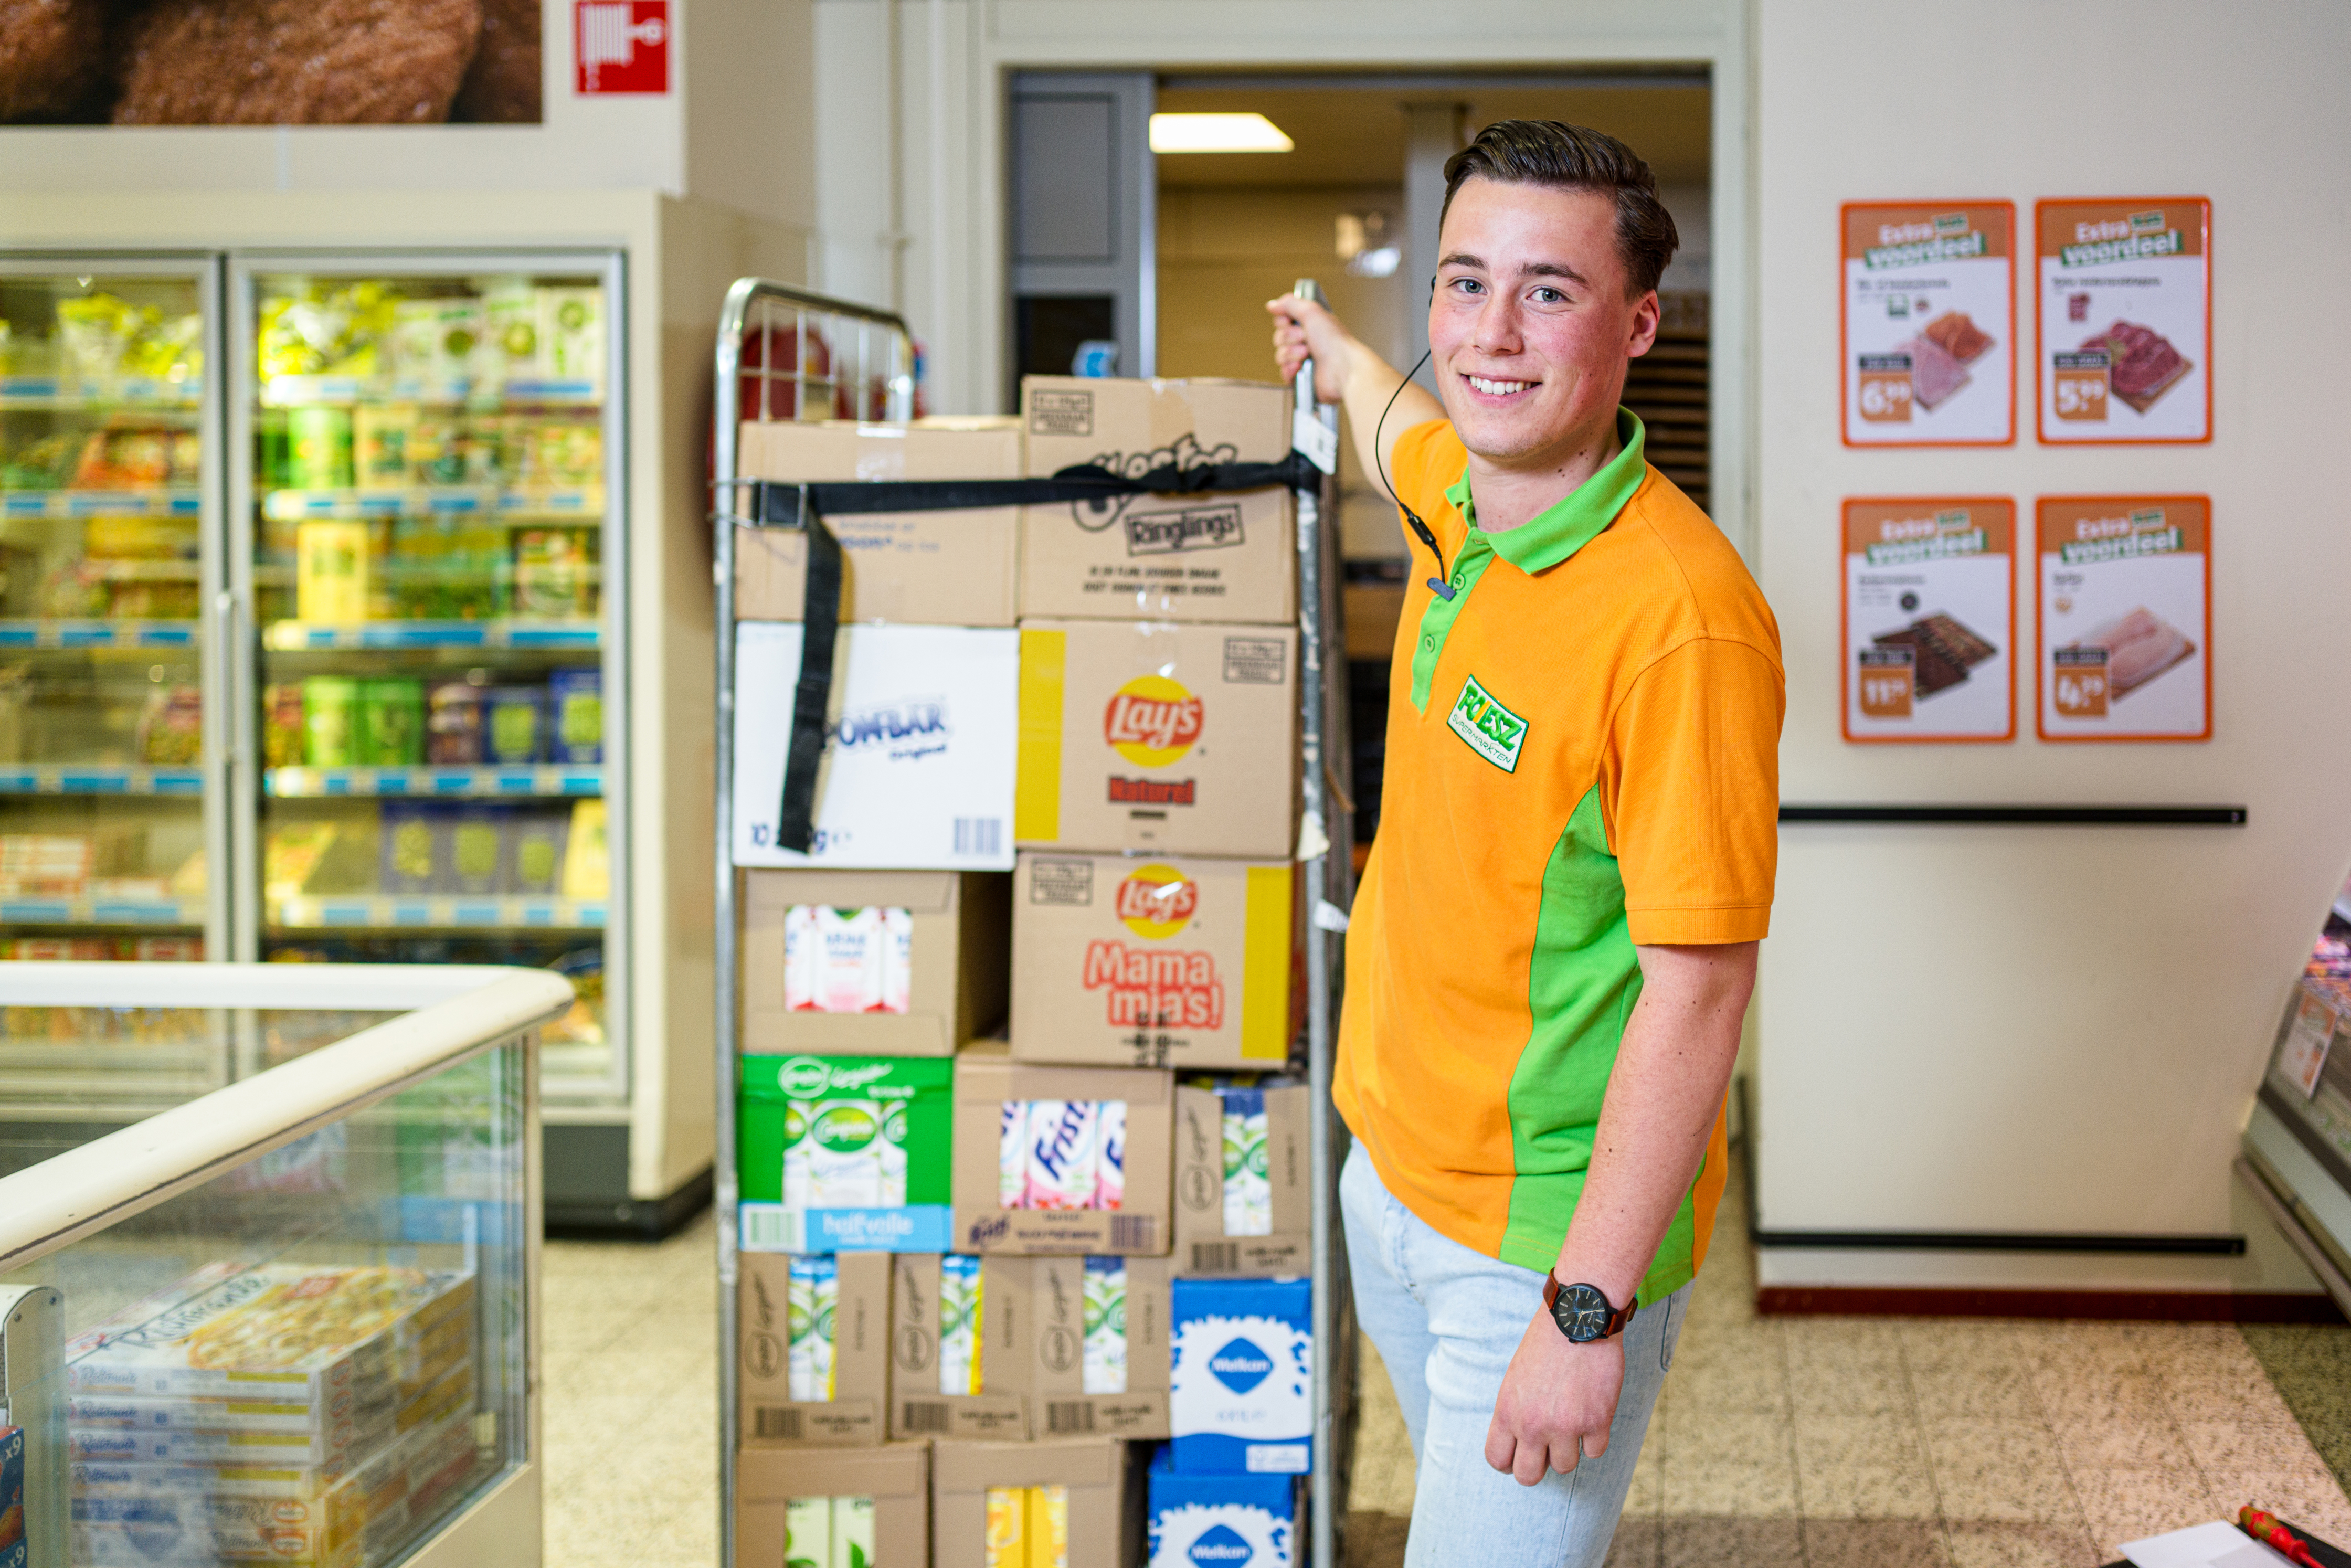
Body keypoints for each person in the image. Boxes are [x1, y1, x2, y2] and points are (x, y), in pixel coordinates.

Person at [1270, 120, 1783, 1565]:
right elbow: (1392, 422)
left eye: (1548, 291)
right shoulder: (1467, 509)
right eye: (1462, 282)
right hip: (1396, 1177)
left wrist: (1584, 1312)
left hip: (1537, 1245)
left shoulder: (1681, 621)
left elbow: (1700, 988)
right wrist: (1326, 339)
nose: (1492, 332)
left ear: (1635, 325)